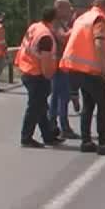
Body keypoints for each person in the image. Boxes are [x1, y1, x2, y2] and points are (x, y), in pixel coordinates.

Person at [58, 0, 105, 155]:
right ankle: (103, 143)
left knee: (88, 105)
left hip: (77, 69)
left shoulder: (83, 18)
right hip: (92, 70)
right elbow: (99, 43)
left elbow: (69, 37)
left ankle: (86, 141)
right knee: (103, 105)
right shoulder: (99, 19)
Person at [16, 8, 63, 148]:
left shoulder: (35, 27)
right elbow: (46, 60)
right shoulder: (46, 36)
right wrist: (49, 75)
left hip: (26, 69)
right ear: (54, 20)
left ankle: (48, 136)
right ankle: (26, 137)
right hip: (36, 74)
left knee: (41, 106)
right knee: (35, 107)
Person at [47, 0, 76, 137]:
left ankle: (53, 124)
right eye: (67, 8)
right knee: (62, 96)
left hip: (61, 64)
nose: (70, 10)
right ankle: (63, 127)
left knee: (57, 96)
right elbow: (62, 38)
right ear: (59, 8)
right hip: (57, 65)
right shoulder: (55, 23)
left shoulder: (61, 23)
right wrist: (76, 29)